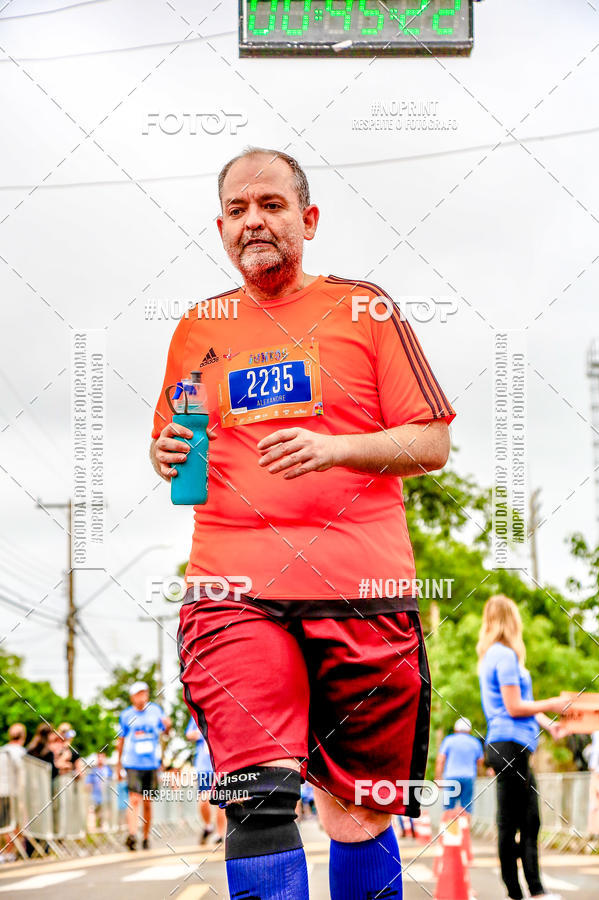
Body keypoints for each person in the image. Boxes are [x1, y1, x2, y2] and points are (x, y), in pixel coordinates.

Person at [150, 146, 455, 900]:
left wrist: (335, 449)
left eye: (272, 205)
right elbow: (186, 481)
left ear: (308, 219)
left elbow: (432, 443)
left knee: (356, 817)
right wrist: (167, 455)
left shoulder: (367, 310)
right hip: (234, 591)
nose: (254, 220)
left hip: (362, 594)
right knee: (256, 797)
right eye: (237, 209)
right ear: (220, 227)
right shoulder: (198, 329)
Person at [477, 594, 570, 900]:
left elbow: (521, 705)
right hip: (509, 747)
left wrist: (548, 723)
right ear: (511, 620)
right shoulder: (503, 656)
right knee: (514, 822)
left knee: (525, 820)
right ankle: (523, 892)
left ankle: (528, 890)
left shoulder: (492, 655)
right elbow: (515, 706)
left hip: (511, 745)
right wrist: (555, 703)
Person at [116, 681, 171, 851]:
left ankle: (146, 836)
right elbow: (121, 739)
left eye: (144, 693)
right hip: (132, 762)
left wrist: (168, 727)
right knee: (134, 799)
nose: (142, 696)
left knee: (147, 802)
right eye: (138, 693)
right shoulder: (126, 715)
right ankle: (132, 834)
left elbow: (165, 733)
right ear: (132, 697)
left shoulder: (155, 710)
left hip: (151, 763)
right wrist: (119, 765)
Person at [185, 716, 225, 845]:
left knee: (222, 802)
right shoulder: (198, 714)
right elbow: (189, 734)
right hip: (203, 767)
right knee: (204, 799)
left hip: (220, 766)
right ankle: (208, 826)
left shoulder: (222, 713)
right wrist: (203, 732)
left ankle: (220, 834)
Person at [434, 717, 484, 816]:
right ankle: (466, 830)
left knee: (448, 807)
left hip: (451, 778)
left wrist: (438, 778)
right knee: (467, 808)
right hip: (468, 777)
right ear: (469, 730)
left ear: (455, 729)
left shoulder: (449, 740)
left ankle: (447, 830)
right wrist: (481, 776)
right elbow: (480, 763)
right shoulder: (475, 742)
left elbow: (440, 760)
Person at [0, 723, 27, 861]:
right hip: (13, 791)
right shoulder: (21, 752)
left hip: (2, 791)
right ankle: (9, 852)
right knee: (14, 823)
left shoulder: (2, 750)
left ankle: (6, 852)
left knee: (4, 823)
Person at [85, 751, 113, 830]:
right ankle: (93, 833)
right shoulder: (93, 771)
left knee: (104, 817)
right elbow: (88, 783)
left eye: (102, 757)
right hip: (95, 797)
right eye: (99, 757)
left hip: (106, 797)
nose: (100, 759)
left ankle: (103, 834)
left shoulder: (109, 770)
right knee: (93, 815)